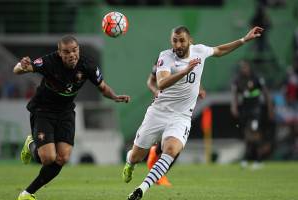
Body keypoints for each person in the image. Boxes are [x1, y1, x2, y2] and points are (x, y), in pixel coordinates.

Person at [122, 25, 264, 200]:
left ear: (190, 41)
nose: (178, 44)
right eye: (175, 40)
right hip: (158, 113)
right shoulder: (165, 56)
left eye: (182, 40)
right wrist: (185, 70)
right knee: (137, 156)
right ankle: (130, 163)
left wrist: (244, 39)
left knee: (172, 150)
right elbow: (162, 83)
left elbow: (220, 50)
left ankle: (141, 189)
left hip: (181, 117)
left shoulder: (200, 51)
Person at [14, 35, 130, 200]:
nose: (71, 55)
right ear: (59, 53)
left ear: (79, 50)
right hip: (43, 110)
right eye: (66, 52)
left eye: (74, 50)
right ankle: (32, 143)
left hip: (66, 112)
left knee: (62, 158)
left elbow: (102, 87)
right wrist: (22, 66)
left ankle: (27, 194)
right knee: (48, 158)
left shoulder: (87, 65)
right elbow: (18, 70)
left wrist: (115, 96)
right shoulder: (49, 62)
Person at [145, 60, 206, 187]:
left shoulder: (190, 60)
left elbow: (193, 79)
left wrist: (199, 89)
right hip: (163, 108)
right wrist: (156, 91)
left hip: (180, 110)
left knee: (176, 146)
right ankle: (154, 154)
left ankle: (160, 174)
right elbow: (150, 81)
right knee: (163, 142)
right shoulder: (164, 61)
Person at [231, 60, 273, 169]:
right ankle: (250, 159)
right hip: (245, 110)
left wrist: (270, 109)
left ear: (249, 67)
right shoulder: (239, 79)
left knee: (254, 133)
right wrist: (234, 107)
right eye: (242, 68)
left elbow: (266, 93)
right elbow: (235, 94)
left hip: (256, 110)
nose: (243, 69)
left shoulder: (257, 78)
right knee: (247, 135)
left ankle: (257, 160)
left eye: (245, 67)